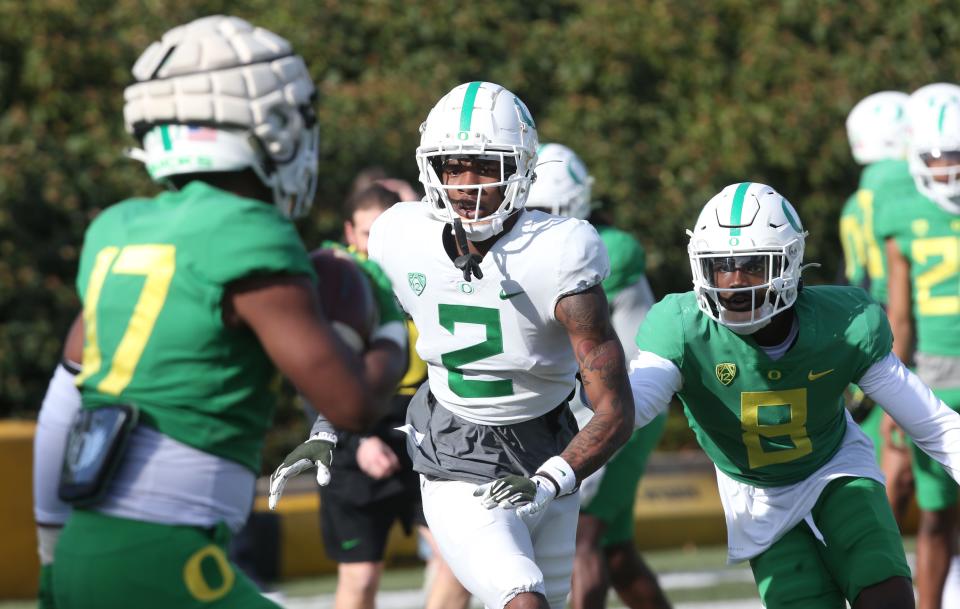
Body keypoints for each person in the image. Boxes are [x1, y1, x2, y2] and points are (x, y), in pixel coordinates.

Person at [48, 16, 405, 609]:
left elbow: (65, 395)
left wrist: (47, 548)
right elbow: (353, 403)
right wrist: (389, 319)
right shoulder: (251, 232)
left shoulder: (115, 226)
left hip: (83, 547)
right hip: (164, 557)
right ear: (269, 124)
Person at [274, 81, 635, 609]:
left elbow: (614, 406)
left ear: (522, 167)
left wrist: (555, 477)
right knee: (522, 597)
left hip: (548, 442)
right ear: (430, 169)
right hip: (453, 449)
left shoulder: (559, 252)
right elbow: (377, 345)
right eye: (453, 166)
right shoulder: (401, 236)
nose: (468, 185)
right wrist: (330, 424)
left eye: (487, 166)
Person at [627, 181, 960, 608]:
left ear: (789, 262)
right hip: (755, 492)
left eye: (752, 265)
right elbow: (631, 407)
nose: (733, 284)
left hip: (834, 467)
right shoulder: (681, 327)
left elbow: (932, 424)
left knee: (886, 593)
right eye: (720, 267)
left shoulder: (844, 323)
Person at [526, 142, 670, 609]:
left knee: (580, 538)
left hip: (627, 407)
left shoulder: (611, 247)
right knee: (616, 552)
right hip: (598, 404)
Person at [315, 183, 471, 609]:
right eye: (368, 233)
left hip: (426, 431)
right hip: (358, 433)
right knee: (361, 577)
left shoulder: (430, 270)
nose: (378, 244)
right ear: (350, 231)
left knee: (461, 561)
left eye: (388, 230)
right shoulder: (336, 281)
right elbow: (316, 374)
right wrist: (357, 438)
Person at [876, 82, 960, 609]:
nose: (948, 169)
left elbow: (901, 317)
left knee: (935, 518)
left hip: (928, 380)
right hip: (933, 381)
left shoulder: (899, 206)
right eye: (938, 157)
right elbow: (899, 315)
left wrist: (894, 391)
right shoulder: (897, 206)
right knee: (935, 514)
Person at [839, 91, 917, 518]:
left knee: (886, 457)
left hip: (870, 326)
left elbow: (856, 278)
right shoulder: (904, 186)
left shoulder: (856, 200)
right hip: (912, 328)